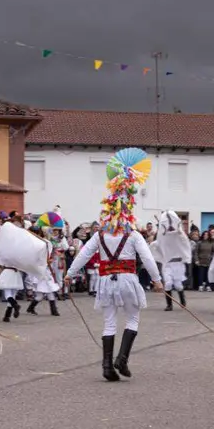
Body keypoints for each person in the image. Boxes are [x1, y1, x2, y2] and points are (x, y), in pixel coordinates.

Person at [66, 148, 163, 381]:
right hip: (128, 280)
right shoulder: (133, 236)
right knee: (132, 318)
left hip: (105, 282)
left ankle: (107, 367)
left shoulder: (99, 236)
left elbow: (82, 254)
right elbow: (148, 258)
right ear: (128, 211)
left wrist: (69, 274)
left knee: (109, 323)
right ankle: (122, 359)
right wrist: (157, 280)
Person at [153, 209, 191, 310]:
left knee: (178, 285)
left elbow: (185, 242)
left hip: (178, 264)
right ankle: (169, 305)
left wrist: (179, 232)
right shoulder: (162, 236)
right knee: (168, 283)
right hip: (168, 264)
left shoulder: (179, 234)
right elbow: (158, 244)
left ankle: (183, 300)